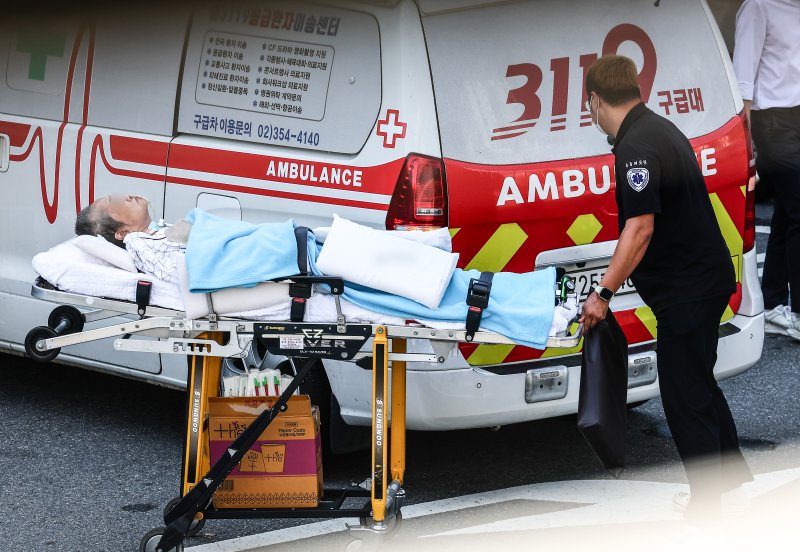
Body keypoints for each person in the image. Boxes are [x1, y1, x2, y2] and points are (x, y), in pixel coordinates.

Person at [579, 55, 753, 519]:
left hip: (688, 289)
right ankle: (729, 480)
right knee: (697, 382)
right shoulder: (657, 127)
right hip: (703, 278)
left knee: (683, 395)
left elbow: (639, 230)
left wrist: (604, 294)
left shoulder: (636, 146)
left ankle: (708, 507)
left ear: (595, 100)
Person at [732, 0, 800, 340]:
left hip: (797, 116)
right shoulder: (758, 6)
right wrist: (745, 146)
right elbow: (742, 78)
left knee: (789, 213)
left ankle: (774, 304)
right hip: (772, 122)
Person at [75, 194, 165, 246]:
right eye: (117, 204)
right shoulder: (158, 253)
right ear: (123, 233)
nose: (127, 196)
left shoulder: (162, 236)